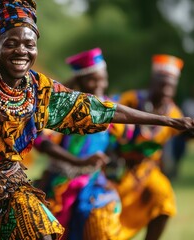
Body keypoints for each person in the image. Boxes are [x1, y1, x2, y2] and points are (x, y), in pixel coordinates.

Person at [0, 1, 194, 239]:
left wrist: (170, 122)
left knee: (43, 230)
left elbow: (102, 109)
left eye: (29, 44)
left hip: (9, 188)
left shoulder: (40, 89)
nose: (21, 51)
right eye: (11, 43)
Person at [34, 48, 124, 240]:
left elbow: (120, 145)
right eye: (93, 80)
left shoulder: (109, 109)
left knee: (100, 220)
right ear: (79, 81)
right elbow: (41, 140)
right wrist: (78, 161)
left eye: (103, 79)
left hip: (94, 180)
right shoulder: (63, 110)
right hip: (61, 179)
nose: (100, 85)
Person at [112, 54, 190, 239]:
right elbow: (110, 123)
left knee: (164, 199)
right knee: (108, 214)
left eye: (171, 85)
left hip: (146, 170)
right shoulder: (132, 100)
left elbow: (170, 142)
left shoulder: (174, 113)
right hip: (116, 167)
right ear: (152, 81)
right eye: (162, 83)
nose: (166, 89)